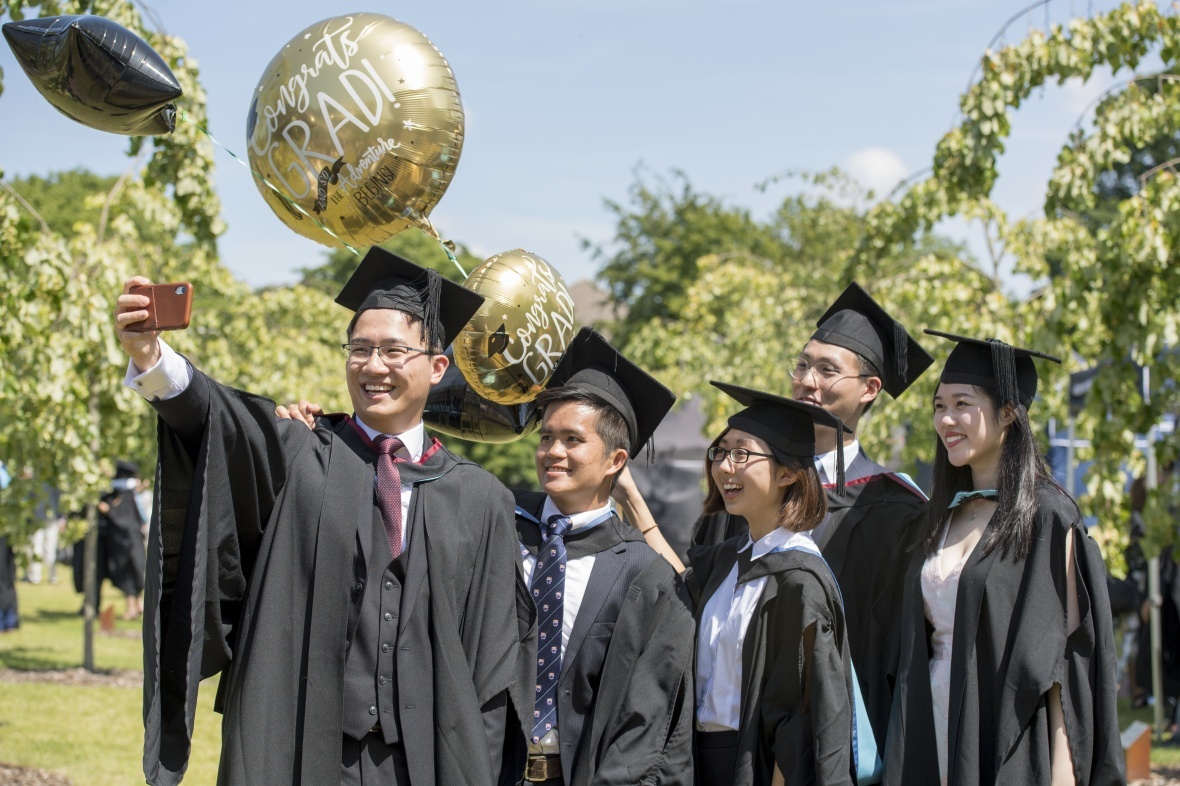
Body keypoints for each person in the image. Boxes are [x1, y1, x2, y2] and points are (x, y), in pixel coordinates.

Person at [114, 248, 524, 786]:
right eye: (360, 348)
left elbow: (494, 661)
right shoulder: (300, 454)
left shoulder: (480, 499)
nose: (373, 366)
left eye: (394, 350)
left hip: (429, 762)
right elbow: (220, 418)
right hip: (302, 752)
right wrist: (152, 356)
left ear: (437, 366)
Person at [691, 282, 932, 744]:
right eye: (802, 364)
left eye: (826, 369)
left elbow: (900, 650)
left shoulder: (894, 507)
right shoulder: (741, 486)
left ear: (870, 388)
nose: (806, 379)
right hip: (727, 737)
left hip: (834, 739)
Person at [883, 331, 1124, 786]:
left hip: (1002, 732)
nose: (946, 420)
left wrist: (1062, 775)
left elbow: (1065, 665)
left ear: (1009, 412)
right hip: (928, 720)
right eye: (939, 406)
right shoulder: (940, 518)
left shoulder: (1048, 517)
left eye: (962, 404)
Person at [622, 382, 858, 786]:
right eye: (721, 451)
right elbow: (675, 582)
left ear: (787, 473)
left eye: (742, 453)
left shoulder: (800, 582)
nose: (724, 466)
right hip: (697, 762)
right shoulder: (728, 559)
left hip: (757, 769)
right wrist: (628, 496)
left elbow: (800, 724)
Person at [510, 327, 695, 785]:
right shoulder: (496, 524)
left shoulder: (641, 570)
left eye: (572, 440)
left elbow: (645, 714)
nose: (553, 451)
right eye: (546, 437)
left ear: (615, 460)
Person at [97, 460, 147, 620]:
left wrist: (108, 510)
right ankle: (136, 606)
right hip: (132, 540)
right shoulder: (129, 493)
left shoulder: (122, 494)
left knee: (129, 574)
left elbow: (121, 518)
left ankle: (133, 607)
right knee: (134, 573)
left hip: (124, 542)